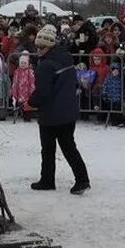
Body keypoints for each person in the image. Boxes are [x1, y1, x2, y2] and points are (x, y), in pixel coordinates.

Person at [25, 25, 90, 195]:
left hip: (51, 113)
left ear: (50, 46)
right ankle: (81, 179)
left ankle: (48, 179)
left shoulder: (46, 66)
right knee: (69, 146)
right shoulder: (66, 58)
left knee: (48, 148)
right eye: (37, 47)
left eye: (42, 47)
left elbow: (43, 92)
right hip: (68, 110)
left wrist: (30, 103)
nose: (38, 50)